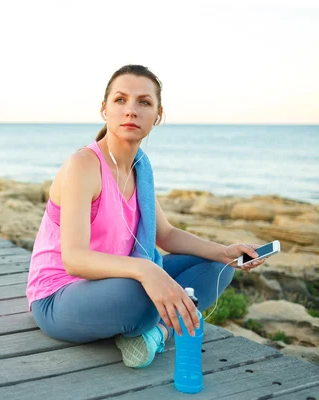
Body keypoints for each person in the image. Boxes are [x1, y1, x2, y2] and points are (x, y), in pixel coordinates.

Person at [26, 64, 265, 369]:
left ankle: (154, 335)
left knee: (220, 267)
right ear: (104, 109)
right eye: (120, 100)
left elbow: (165, 234)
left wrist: (224, 250)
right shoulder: (83, 166)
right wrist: (145, 270)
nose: (131, 111)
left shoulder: (140, 167)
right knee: (142, 291)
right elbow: (75, 259)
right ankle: (151, 323)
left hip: (118, 280)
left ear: (158, 115)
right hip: (59, 296)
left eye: (144, 102)